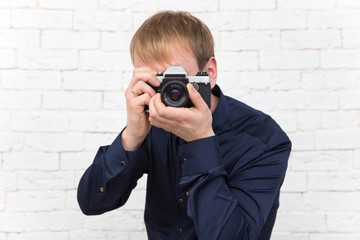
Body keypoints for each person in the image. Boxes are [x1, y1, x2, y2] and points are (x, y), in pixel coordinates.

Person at [77, 10, 291, 240]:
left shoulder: (264, 139)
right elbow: (92, 203)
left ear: (209, 73)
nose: (169, 93)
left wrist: (200, 140)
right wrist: (132, 136)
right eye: (155, 81)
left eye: (174, 79)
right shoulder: (154, 122)